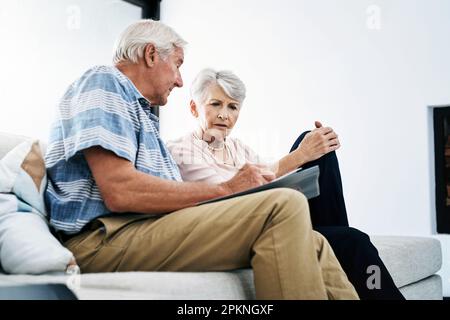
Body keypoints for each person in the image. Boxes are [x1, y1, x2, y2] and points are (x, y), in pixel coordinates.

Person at [44, 19, 358, 300]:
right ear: (152, 55)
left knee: (315, 243)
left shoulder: (144, 117)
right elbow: (120, 190)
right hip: (103, 238)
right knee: (283, 206)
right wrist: (227, 189)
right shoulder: (105, 81)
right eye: (178, 65)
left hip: (142, 229)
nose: (180, 81)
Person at [167, 68, 404, 300]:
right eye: (215, 104)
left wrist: (314, 148)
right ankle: (338, 242)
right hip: (245, 231)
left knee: (314, 143)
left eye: (232, 107)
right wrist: (300, 155)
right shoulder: (182, 151)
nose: (224, 115)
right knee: (353, 241)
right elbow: (230, 196)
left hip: (274, 218)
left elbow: (272, 178)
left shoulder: (237, 147)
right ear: (193, 107)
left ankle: (335, 237)